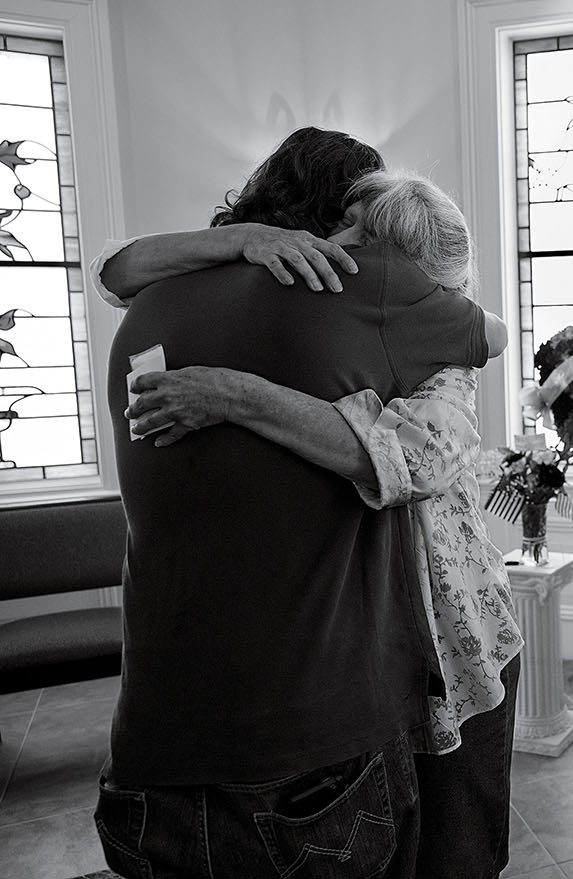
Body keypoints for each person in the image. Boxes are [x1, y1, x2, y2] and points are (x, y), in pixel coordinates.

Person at [94, 128, 495, 879]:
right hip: (307, 759)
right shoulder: (354, 296)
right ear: (347, 217)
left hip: (147, 757)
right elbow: (489, 333)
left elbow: (109, 269)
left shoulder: (142, 308)